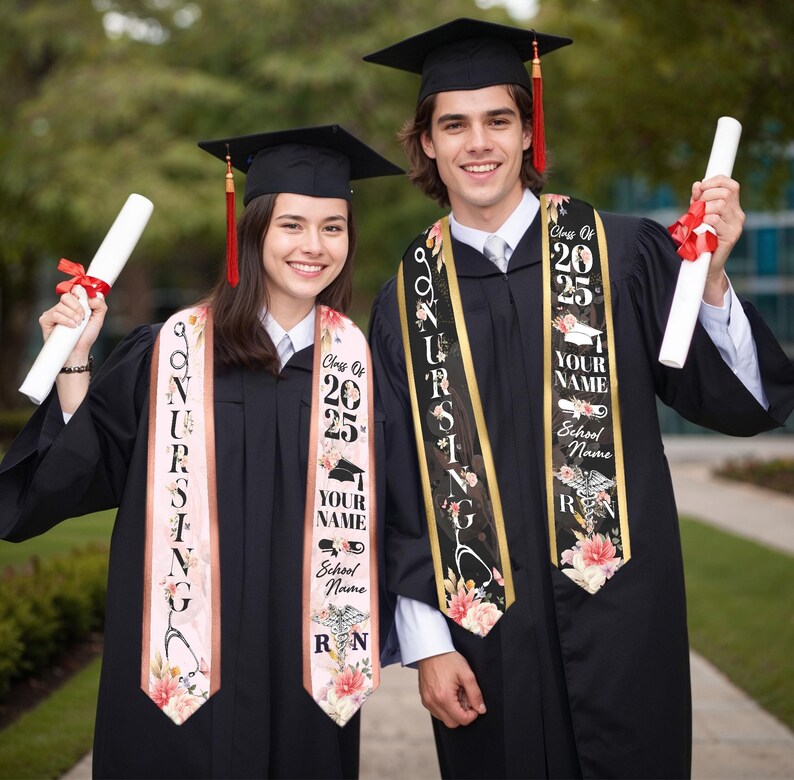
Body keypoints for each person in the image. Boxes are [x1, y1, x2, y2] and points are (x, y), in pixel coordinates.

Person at [365, 18, 794, 779]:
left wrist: (716, 282)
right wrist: (428, 646)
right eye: (453, 124)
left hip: (623, 620)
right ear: (426, 143)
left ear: (529, 130)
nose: (478, 144)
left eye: (498, 120)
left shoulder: (622, 253)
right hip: (482, 639)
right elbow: (400, 492)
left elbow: (740, 404)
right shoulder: (405, 302)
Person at [0, 124, 402, 779]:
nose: (313, 245)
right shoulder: (170, 352)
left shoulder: (360, 367)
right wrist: (76, 362)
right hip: (179, 685)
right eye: (292, 225)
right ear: (253, 232)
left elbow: (400, 507)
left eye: (333, 227)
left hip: (307, 674)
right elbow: (78, 475)